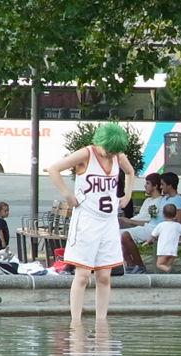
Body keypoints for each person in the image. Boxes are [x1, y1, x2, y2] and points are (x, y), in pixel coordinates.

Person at [47, 122, 134, 320]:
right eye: (108, 151)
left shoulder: (118, 156)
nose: (110, 155)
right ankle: (76, 322)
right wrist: (67, 195)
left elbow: (130, 172)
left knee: (104, 276)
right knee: (83, 275)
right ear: (100, 143)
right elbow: (54, 169)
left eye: (114, 152)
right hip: (86, 220)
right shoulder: (86, 154)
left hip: (108, 222)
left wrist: (127, 195)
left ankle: (101, 321)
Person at [121, 172, 181, 274]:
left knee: (124, 235)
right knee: (117, 235)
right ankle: (132, 265)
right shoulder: (165, 198)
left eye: (163, 184)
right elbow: (157, 216)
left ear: (169, 186)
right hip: (151, 225)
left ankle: (138, 266)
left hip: (158, 229)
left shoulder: (178, 200)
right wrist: (153, 212)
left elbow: (179, 221)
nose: (161, 187)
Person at [142, 204, 181, 273]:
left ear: (163, 215)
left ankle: (170, 271)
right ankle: (168, 278)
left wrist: (147, 242)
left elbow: (153, 235)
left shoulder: (161, 225)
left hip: (163, 250)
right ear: (175, 215)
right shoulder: (177, 225)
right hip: (173, 250)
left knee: (159, 264)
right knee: (169, 264)